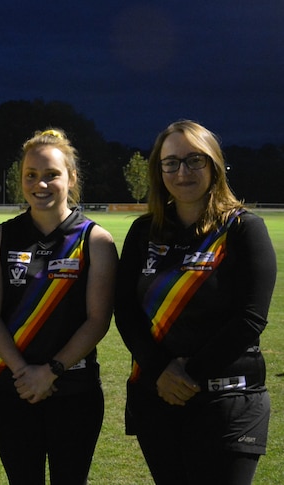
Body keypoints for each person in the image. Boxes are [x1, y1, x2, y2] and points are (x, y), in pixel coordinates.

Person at [114, 120, 275, 485]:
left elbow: (250, 318)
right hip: (157, 398)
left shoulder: (244, 229)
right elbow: (124, 310)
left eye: (194, 160)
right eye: (170, 162)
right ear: (159, 170)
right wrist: (160, 371)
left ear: (214, 165)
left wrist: (188, 375)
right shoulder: (144, 232)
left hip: (227, 401)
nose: (182, 171)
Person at [0, 129, 117, 484]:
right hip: (14, 387)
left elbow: (98, 320)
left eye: (52, 174)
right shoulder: (0, 237)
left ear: (71, 178)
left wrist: (51, 371)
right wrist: (24, 371)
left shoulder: (95, 240)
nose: (41, 183)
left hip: (75, 389)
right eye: (31, 175)